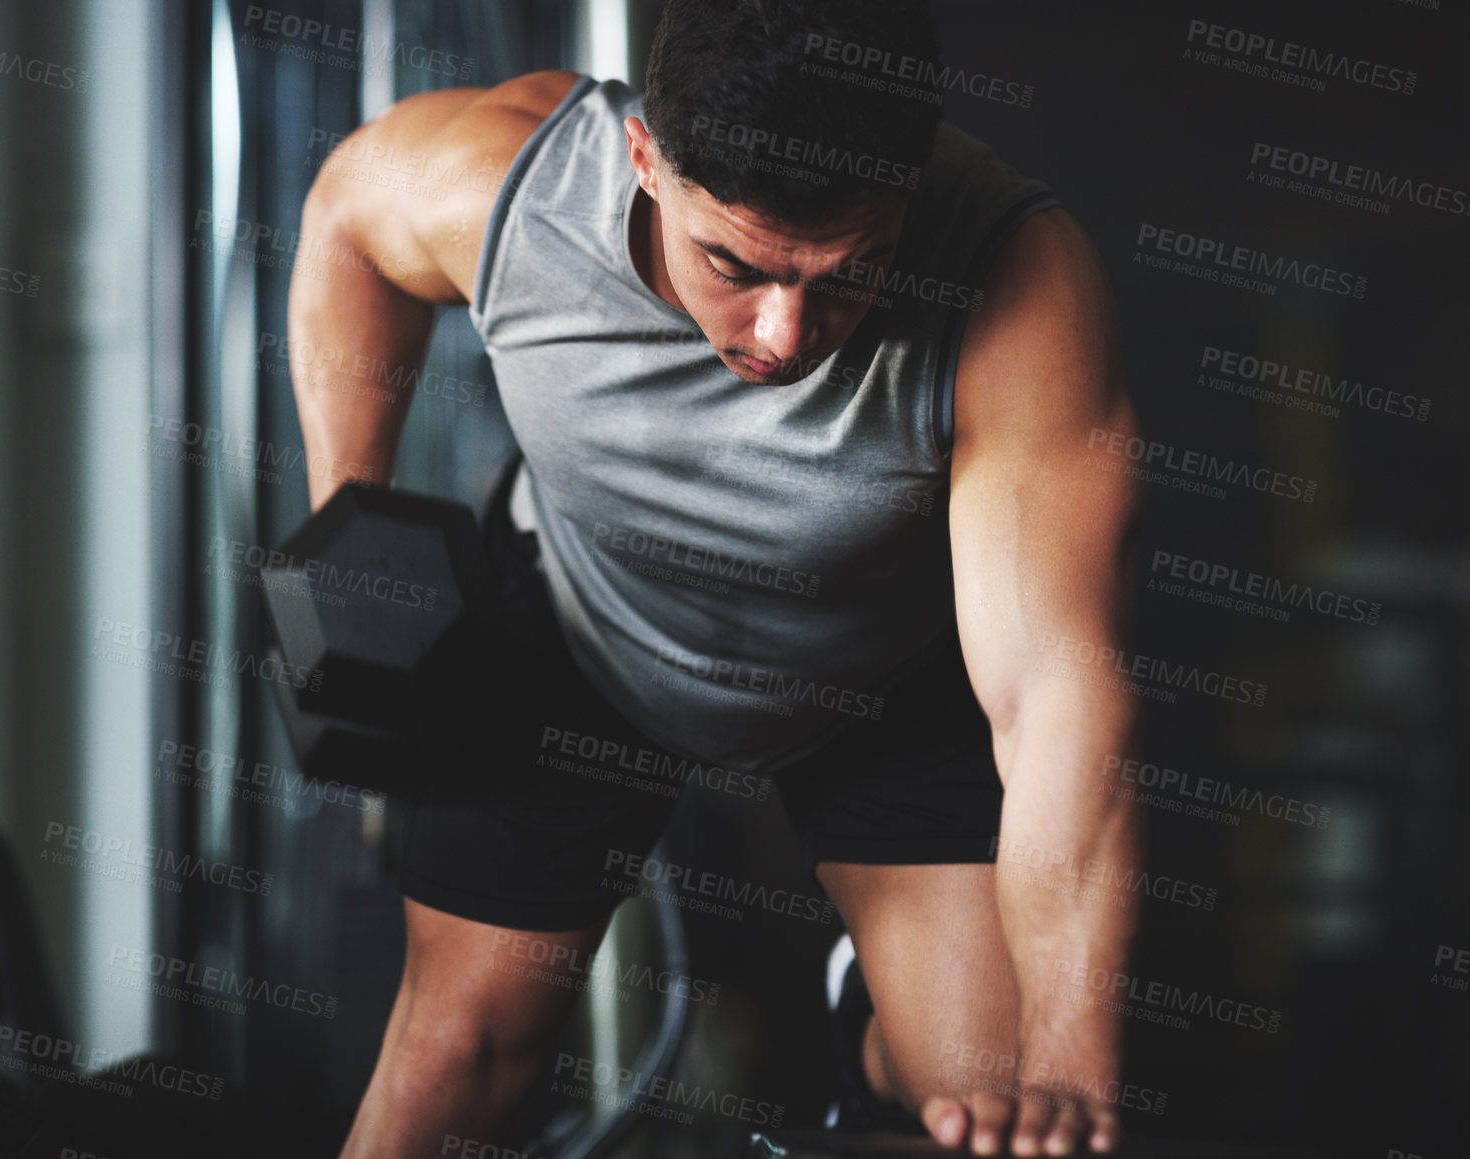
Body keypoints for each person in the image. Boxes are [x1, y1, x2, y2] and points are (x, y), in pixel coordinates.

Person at [290, 1, 1143, 1155]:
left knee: (977, 1099)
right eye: (733, 264)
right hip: (576, 624)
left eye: (849, 273)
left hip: (869, 674)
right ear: (645, 158)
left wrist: (1073, 1074)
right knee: (452, 1060)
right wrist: (350, 524)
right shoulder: (508, 191)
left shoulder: (1014, 279)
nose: (785, 337)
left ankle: (871, 1029)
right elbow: (345, 215)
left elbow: (1054, 694)